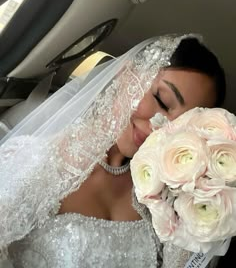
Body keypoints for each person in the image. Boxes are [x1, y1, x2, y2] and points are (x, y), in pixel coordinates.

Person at [0, 34, 226, 268]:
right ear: (125, 73)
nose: (161, 126)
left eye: (181, 126)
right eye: (162, 100)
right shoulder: (38, 160)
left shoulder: (163, 202)